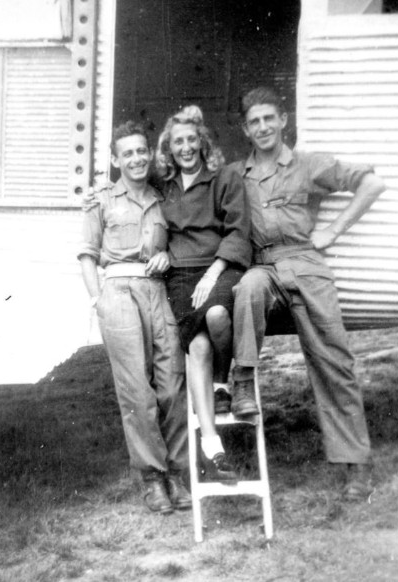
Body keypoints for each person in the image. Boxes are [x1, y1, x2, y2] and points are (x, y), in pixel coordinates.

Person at [230, 86, 386, 500]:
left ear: (283, 120)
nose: (263, 127)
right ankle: (243, 378)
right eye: (254, 122)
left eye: (269, 118)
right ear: (245, 130)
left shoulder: (308, 165)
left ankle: (355, 467)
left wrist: (334, 231)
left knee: (334, 362)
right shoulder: (235, 176)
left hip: (307, 266)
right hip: (264, 266)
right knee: (247, 286)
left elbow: (371, 183)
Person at [78, 121, 191, 515]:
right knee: (137, 393)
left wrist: (169, 256)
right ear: (115, 159)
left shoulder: (165, 198)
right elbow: (87, 255)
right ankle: (152, 478)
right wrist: (99, 301)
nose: (137, 158)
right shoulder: (102, 200)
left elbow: (181, 242)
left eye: (142, 150)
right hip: (119, 294)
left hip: (157, 292)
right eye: (127, 153)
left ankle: (177, 472)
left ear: (150, 153)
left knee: (173, 383)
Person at [155, 105, 253, 483]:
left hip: (220, 267)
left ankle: (221, 381)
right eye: (178, 141)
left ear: (203, 142)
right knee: (196, 347)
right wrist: (161, 250)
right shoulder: (164, 187)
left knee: (216, 317)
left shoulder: (223, 178)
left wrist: (213, 273)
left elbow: (237, 230)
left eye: (191, 140)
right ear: (170, 147)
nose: (185, 147)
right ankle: (214, 448)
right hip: (181, 277)